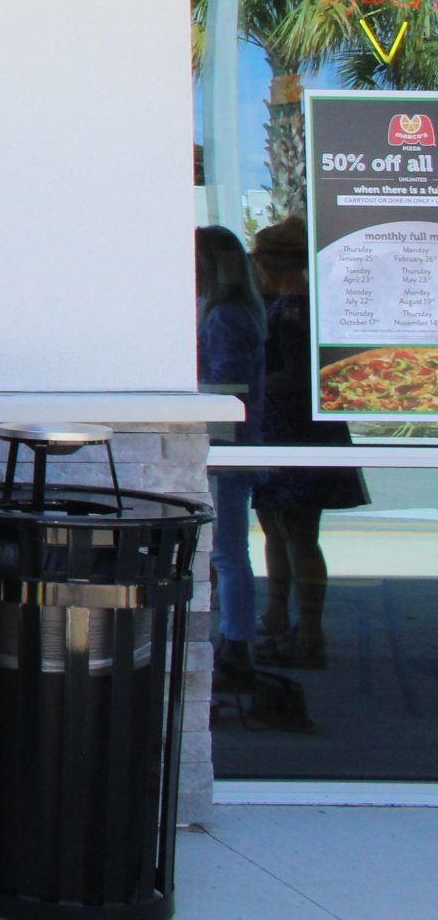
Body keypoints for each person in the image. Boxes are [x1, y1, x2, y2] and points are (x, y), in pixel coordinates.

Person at [247, 215, 368, 669]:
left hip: (297, 430)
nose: (257, 267)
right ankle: (281, 619)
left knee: (298, 534)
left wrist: (252, 385)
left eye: (261, 259)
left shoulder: (296, 306)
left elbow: (300, 377)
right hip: (281, 430)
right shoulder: (287, 301)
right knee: (278, 528)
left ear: (276, 262)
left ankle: (309, 633)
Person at [195, 223, 266, 688]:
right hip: (233, 442)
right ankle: (235, 638)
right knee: (228, 551)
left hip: (225, 444)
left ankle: (237, 643)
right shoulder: (233, 311)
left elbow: (226, 385)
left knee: (226, 553)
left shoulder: (224, 317)